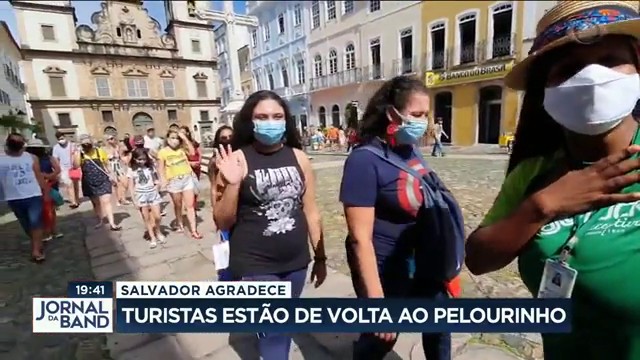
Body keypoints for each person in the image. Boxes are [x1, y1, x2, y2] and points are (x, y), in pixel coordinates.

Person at [464, 2, 640, 359]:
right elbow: (478, 258)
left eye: (608, 61)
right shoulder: (534, 171)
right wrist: (542, 205)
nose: (591, 78)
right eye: (570, 69)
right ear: (545, 89)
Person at [340, 76, 461, 359]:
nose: (423, 122)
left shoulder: (409, 150)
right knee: (382, 338)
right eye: (416, 114)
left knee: (439, 328)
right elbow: (360, 238)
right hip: (386, 268)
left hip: (424, 263)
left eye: (426, 114)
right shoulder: (363, 160)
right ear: (392, 113)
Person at [214, 90, 327, 359]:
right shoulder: (237, 159)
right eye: (262, 116)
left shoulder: (299, 158)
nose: (270, 122)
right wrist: (231, 183)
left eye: (277, 116)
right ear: (249, 121)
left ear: (286, 120)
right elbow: (222, 220)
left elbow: (311, 211)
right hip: (255, 264)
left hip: (296, 262)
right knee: (275, 331)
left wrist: (320, 257)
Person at [0, 133, 49, 262]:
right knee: (26, 224)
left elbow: (38, 176)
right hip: (13, 197)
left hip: (33, 195)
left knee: (35, 222)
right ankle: (37, 242)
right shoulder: (2, 160)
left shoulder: (31, 158)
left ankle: (36, 250)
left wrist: (46, 192)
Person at [157, 129, 200, 238]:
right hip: (173, 181)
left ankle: (194, 230)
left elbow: (192, 152)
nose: (175, 141)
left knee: (190, 206)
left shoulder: (182, 149)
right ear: (167, 139)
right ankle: (179, 223)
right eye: (172, 138)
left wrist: (185, 138)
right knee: (178, 204)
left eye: (177, 138)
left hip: (186, 178)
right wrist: (163, 180)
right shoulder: (163, 152)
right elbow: (161, 168)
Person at [73, 134, 121, 230]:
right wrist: (78, 153)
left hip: (103, 179)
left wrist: (112, 176)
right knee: (96, 203)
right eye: (84, 144)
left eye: (88, 143)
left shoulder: (99, 152)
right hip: (89, 182)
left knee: (106, 201)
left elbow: (107, 165)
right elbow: (76, 166)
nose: (87, 145)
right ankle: (101, 220)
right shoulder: (80, 155)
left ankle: (112, 223)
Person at [25, 138, 63, 241]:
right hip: (35, 186)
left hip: (50, 185)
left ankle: (53, 230)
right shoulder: (27, 159)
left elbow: (57, 169)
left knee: (50, 209)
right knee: (39, 210)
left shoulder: (49, 158)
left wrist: (48, 175)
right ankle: (46, 231)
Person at [128, 148, 165, 248]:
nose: (142, 161)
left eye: (144, 159)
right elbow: (131, 186)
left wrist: (157, 185)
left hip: (152, 193)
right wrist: (134, 200)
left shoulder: (150, 167)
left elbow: (155, 179)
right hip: (141, 194)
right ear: (134, 159)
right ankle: (152, 237)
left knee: (158, 216)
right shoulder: (132, 169)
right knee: (146, 218)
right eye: (139, 159)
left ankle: (157, 230)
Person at [51, 131, 80, 208]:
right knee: (68, 185)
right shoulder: (56, 148)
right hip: (63, 169)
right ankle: (73, 201)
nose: (61, 140)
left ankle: (77, 199)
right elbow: (55, 159)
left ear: (65, 137)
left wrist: (76, 164)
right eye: (59, 139)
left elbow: (77, 155)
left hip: (73, 168)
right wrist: (58, 169)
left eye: (62, 138)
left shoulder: (72, 145)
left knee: (75, 185)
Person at [104, 134, 130, 206]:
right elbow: (105, 160)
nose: (112, 140)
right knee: (116, 184)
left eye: (113, 138)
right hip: (111, 167)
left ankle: (123, 198)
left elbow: (122, 154)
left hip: (119, 166)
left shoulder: (118, 147)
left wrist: (125, 161)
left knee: (125, 182)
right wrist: (107, 170)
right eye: (110, 139)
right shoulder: (105, 149)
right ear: (107, 141)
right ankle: (118, 199)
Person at [179, 125, 202, 208]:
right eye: (180, 132)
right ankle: (190, 205)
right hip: (186, 168)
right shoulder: (179, 145)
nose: (182, 134)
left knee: (195, 186)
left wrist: (199, 161)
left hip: (196, 167)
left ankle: (193, 204)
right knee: (188, 187)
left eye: (183, 132)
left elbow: (199, 152)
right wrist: (189, 163)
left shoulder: (193, 142)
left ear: (187, 133)